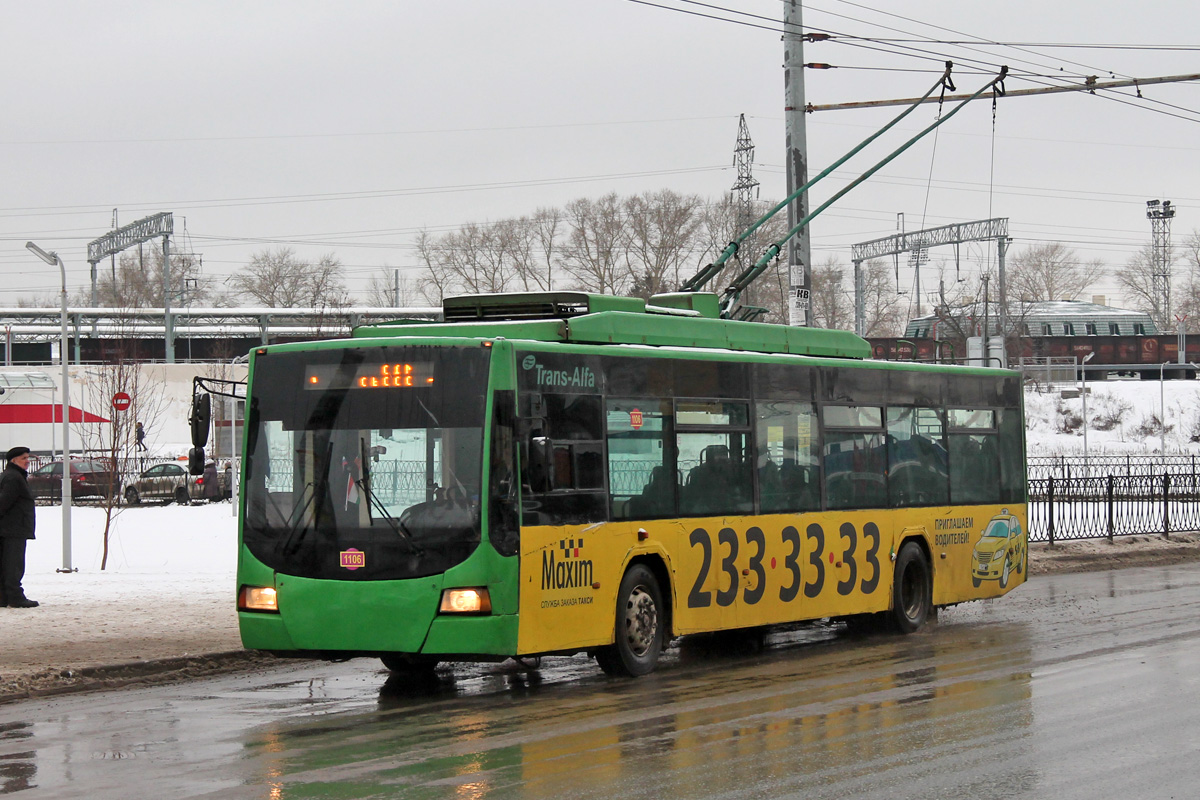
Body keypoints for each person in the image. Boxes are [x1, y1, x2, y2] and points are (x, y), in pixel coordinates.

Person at [0, 447, 38, 608]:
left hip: (8, 528)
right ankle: (15, 597)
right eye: (23, 458)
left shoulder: (9, 476)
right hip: (13, 528)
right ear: (13, 460)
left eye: (28, 457)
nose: (27, 461)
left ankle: (4, 597)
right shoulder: (14, 478)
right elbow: (3, 502)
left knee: (6, 563)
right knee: (14, 565)